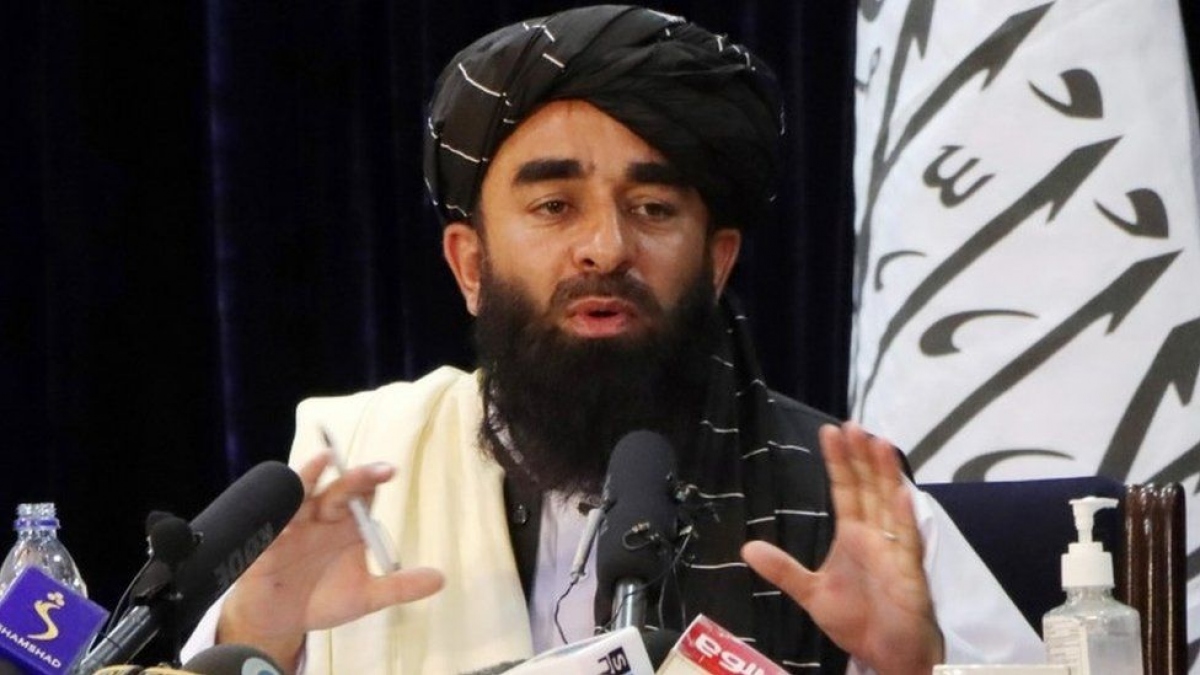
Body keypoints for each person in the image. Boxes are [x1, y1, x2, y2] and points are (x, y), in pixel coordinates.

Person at [183, 6, 1042, 674]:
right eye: (555, 206)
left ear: (717, 262)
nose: (605, 247)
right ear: (471, 264)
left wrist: (915, 661)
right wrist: (262, 629)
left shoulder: (846, 505)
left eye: (653, 208)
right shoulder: (358, 479)